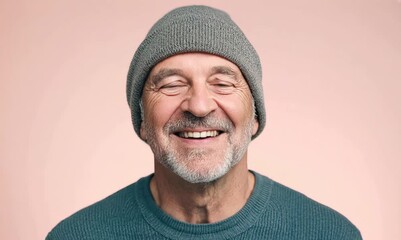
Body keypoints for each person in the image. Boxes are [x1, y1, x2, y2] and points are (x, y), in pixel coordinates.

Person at [46, 5, 362, 240]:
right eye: (171, 84)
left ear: (254, 117)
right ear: (143, 120)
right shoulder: (76, 236)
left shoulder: (329, 234)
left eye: (222, 83)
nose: (198, 106)